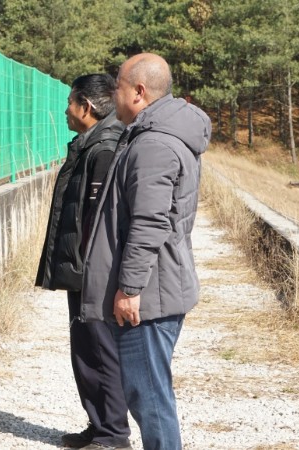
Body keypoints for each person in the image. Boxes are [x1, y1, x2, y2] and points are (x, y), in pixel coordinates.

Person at [80, 53, 211, 450]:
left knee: (149, 398)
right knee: (149, 392)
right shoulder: (153, 133)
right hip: (155, 291)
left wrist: (130, 287)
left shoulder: (154, 143)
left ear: (138, 92)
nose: (113, 95)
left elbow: (150, 222)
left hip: (149, 298)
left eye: (117, 87)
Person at [35, 74, 131, 450]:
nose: (65, 109)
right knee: (85, 349)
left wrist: (94, 271)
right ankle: (98, 424)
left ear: (85, 107)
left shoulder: (104, 149)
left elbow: (101, 220)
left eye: (70, 102)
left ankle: (114, 434)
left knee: (100, 349)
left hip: (97, 272)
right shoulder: (88, 144)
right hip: (83, 269)